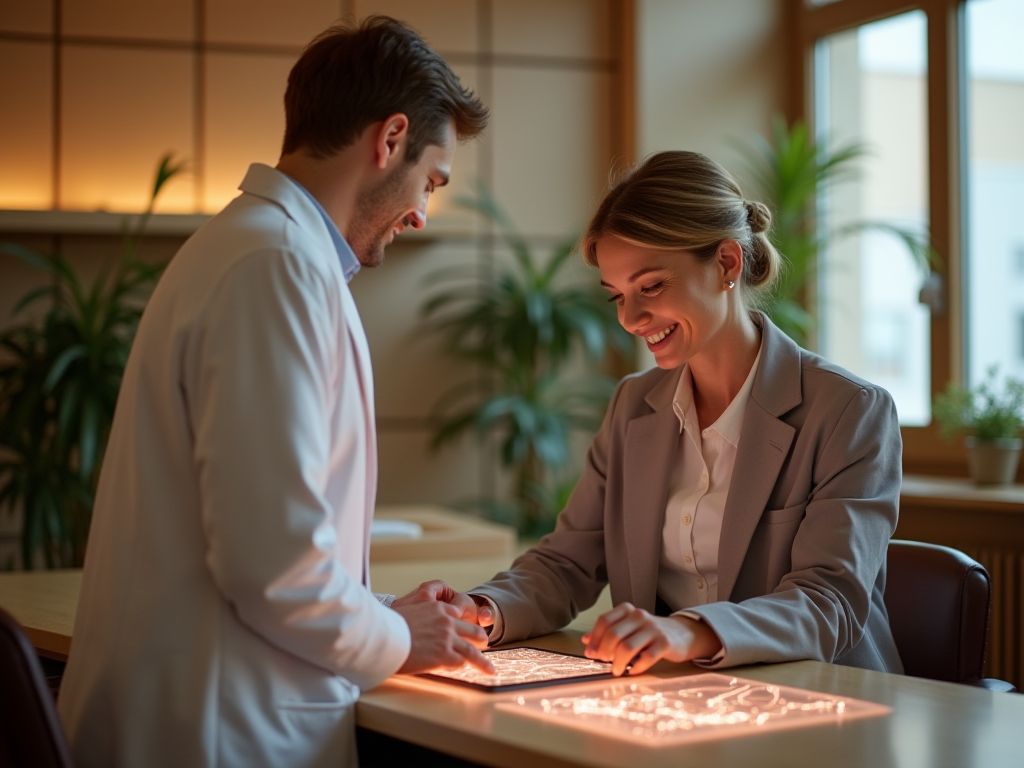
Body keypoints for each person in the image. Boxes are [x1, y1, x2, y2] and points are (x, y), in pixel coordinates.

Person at [57, 16, 492, 768]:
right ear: (390, 139)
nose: (422, 213)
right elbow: (273, 565)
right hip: (220, 732)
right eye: (431, 181)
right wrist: (399, 637)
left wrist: (382, 610)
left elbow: (257, 535)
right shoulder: (276, 264)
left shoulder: (256, 247)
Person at [461, 150, 904, 679]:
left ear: (727, 264)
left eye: (651, 287)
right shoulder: (632, 405)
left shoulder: (849, 411)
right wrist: (480, 611)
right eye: (617, 296)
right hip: (678, 699)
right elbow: (566, 564)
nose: (631, 318)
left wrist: (687, 631)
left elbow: (828, 602)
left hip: (826, 699)